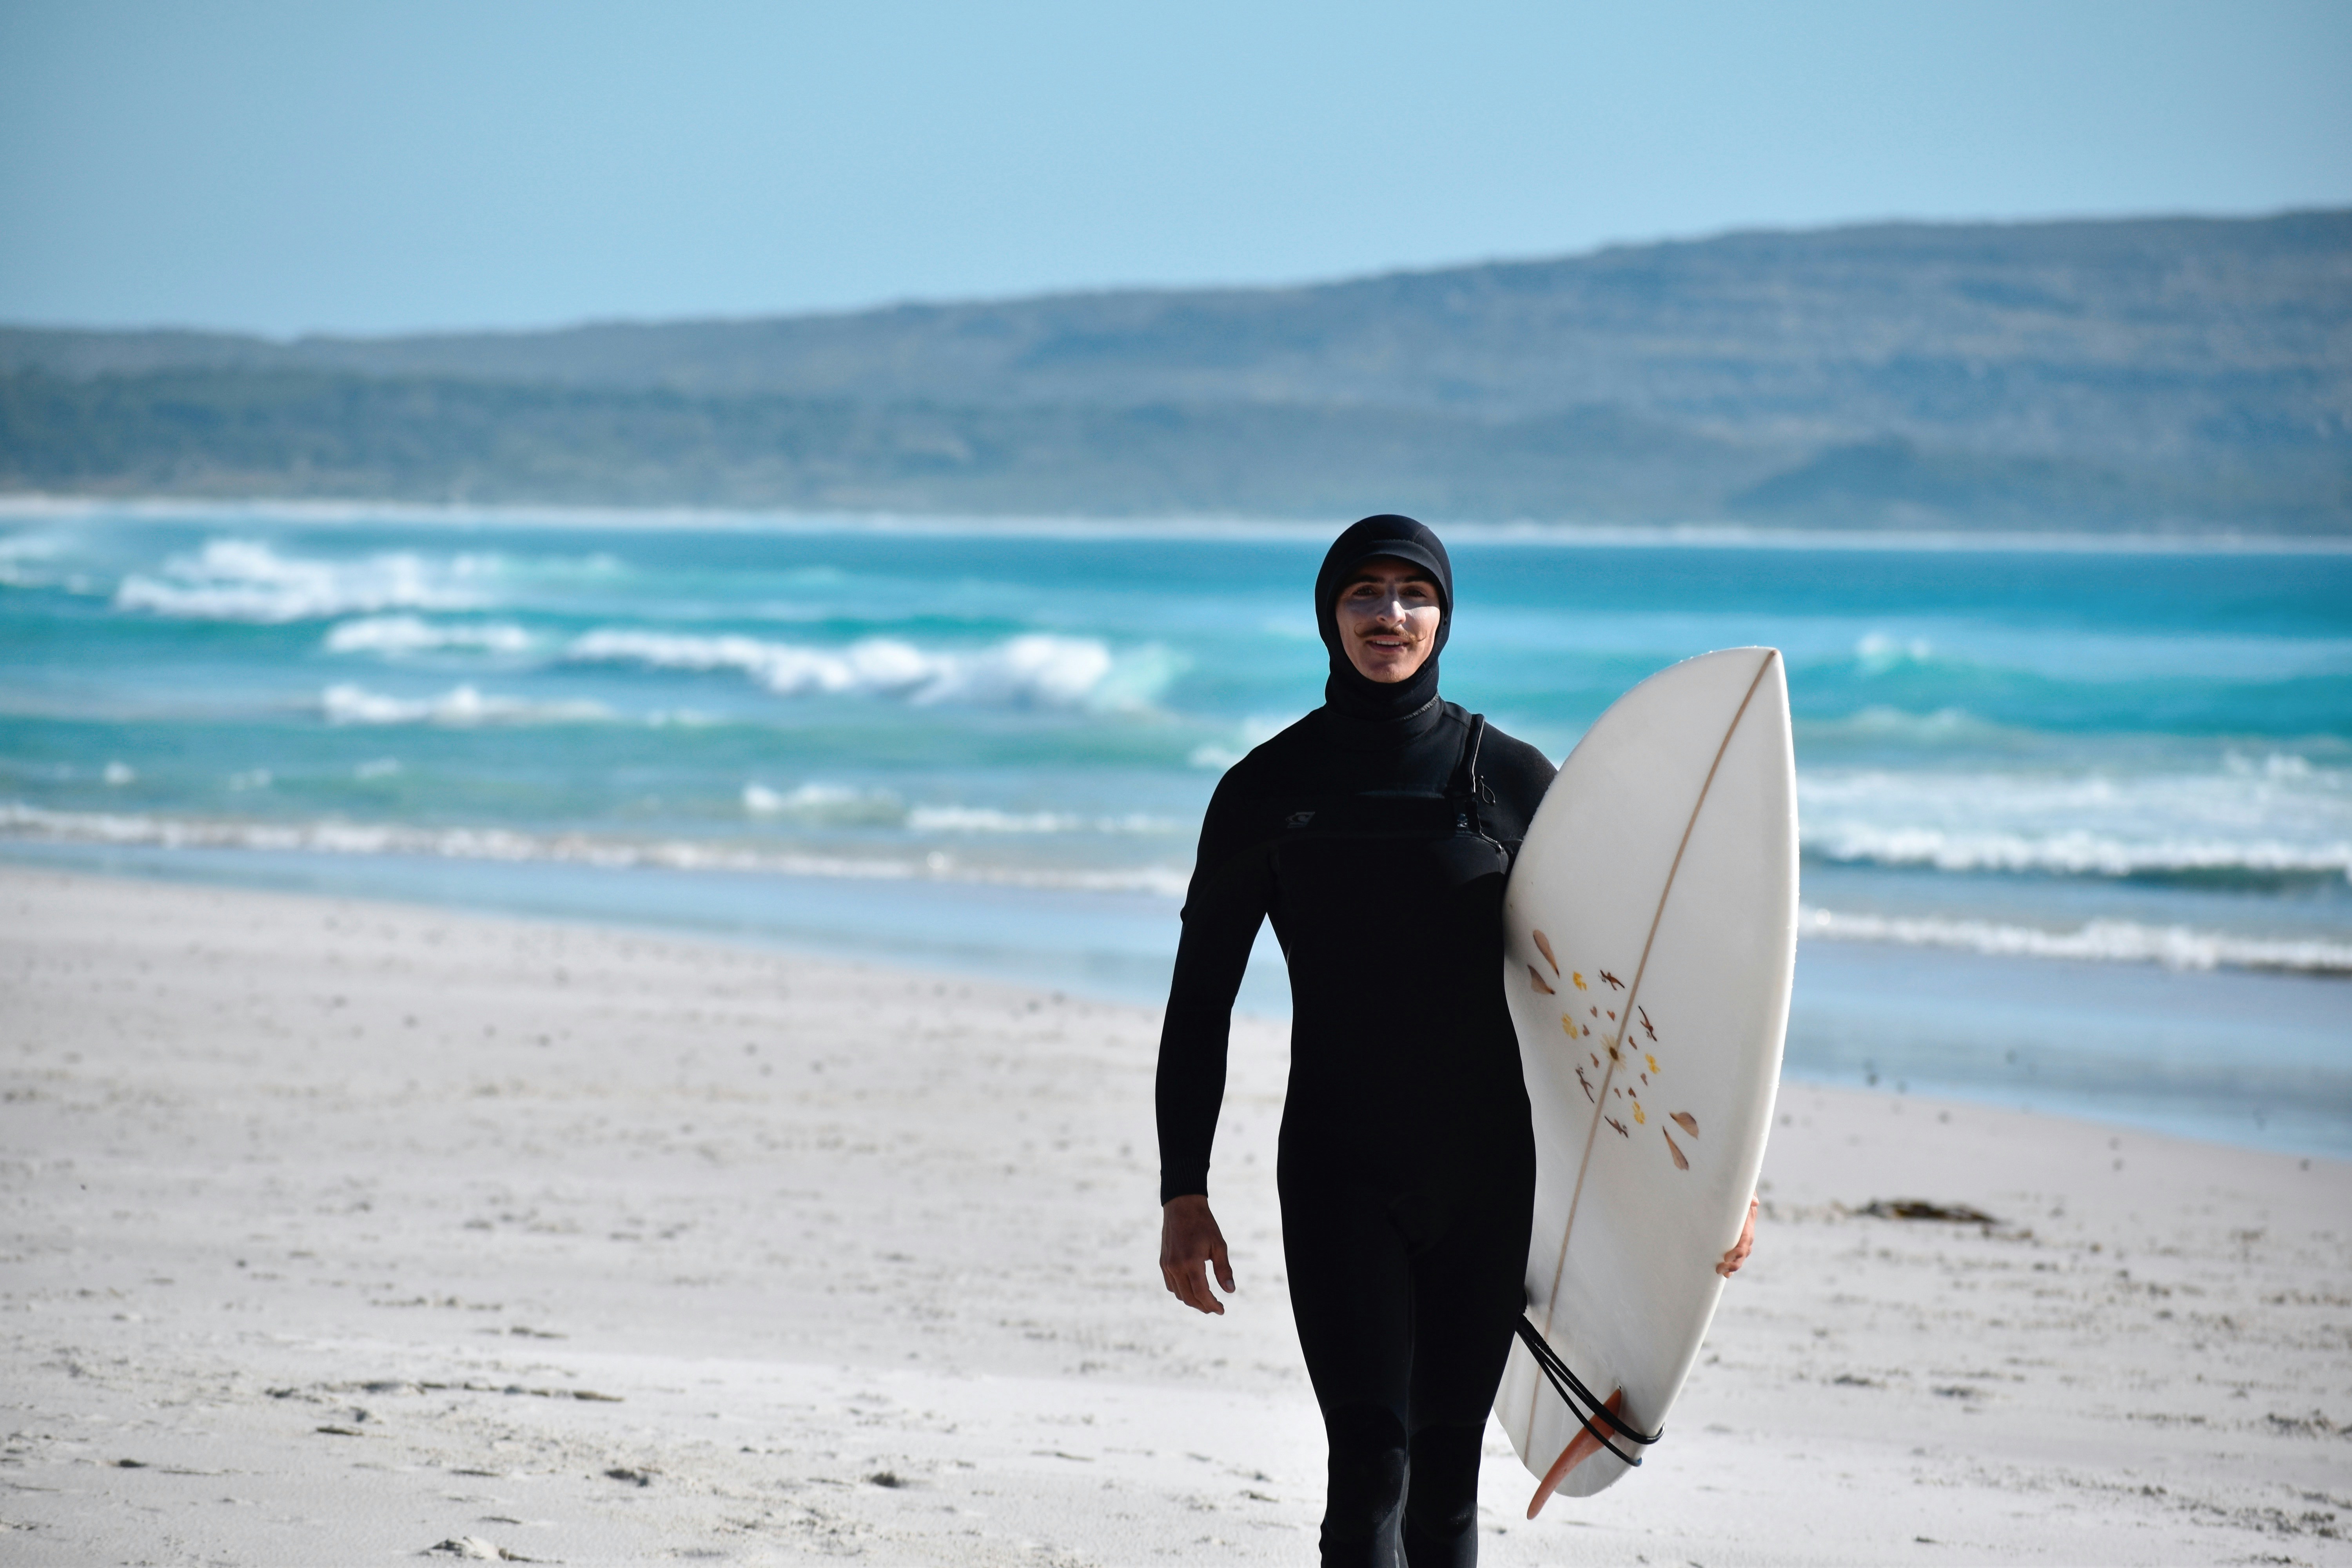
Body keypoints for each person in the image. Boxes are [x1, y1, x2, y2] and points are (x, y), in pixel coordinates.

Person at [1155, 515, 1754, 1567]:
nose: (1390, 616)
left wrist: (1720, 1182)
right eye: (1364, 595)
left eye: (1413, 594)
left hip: (1485, 1176)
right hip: (1338, 1171)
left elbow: (1635, 997)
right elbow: (1201, 998)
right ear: (1328, 616)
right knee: (1369, 1469)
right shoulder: (1268, 790)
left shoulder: (1513, 781)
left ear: (1444, 614)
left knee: (1444, 1481)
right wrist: (1183, 1191)